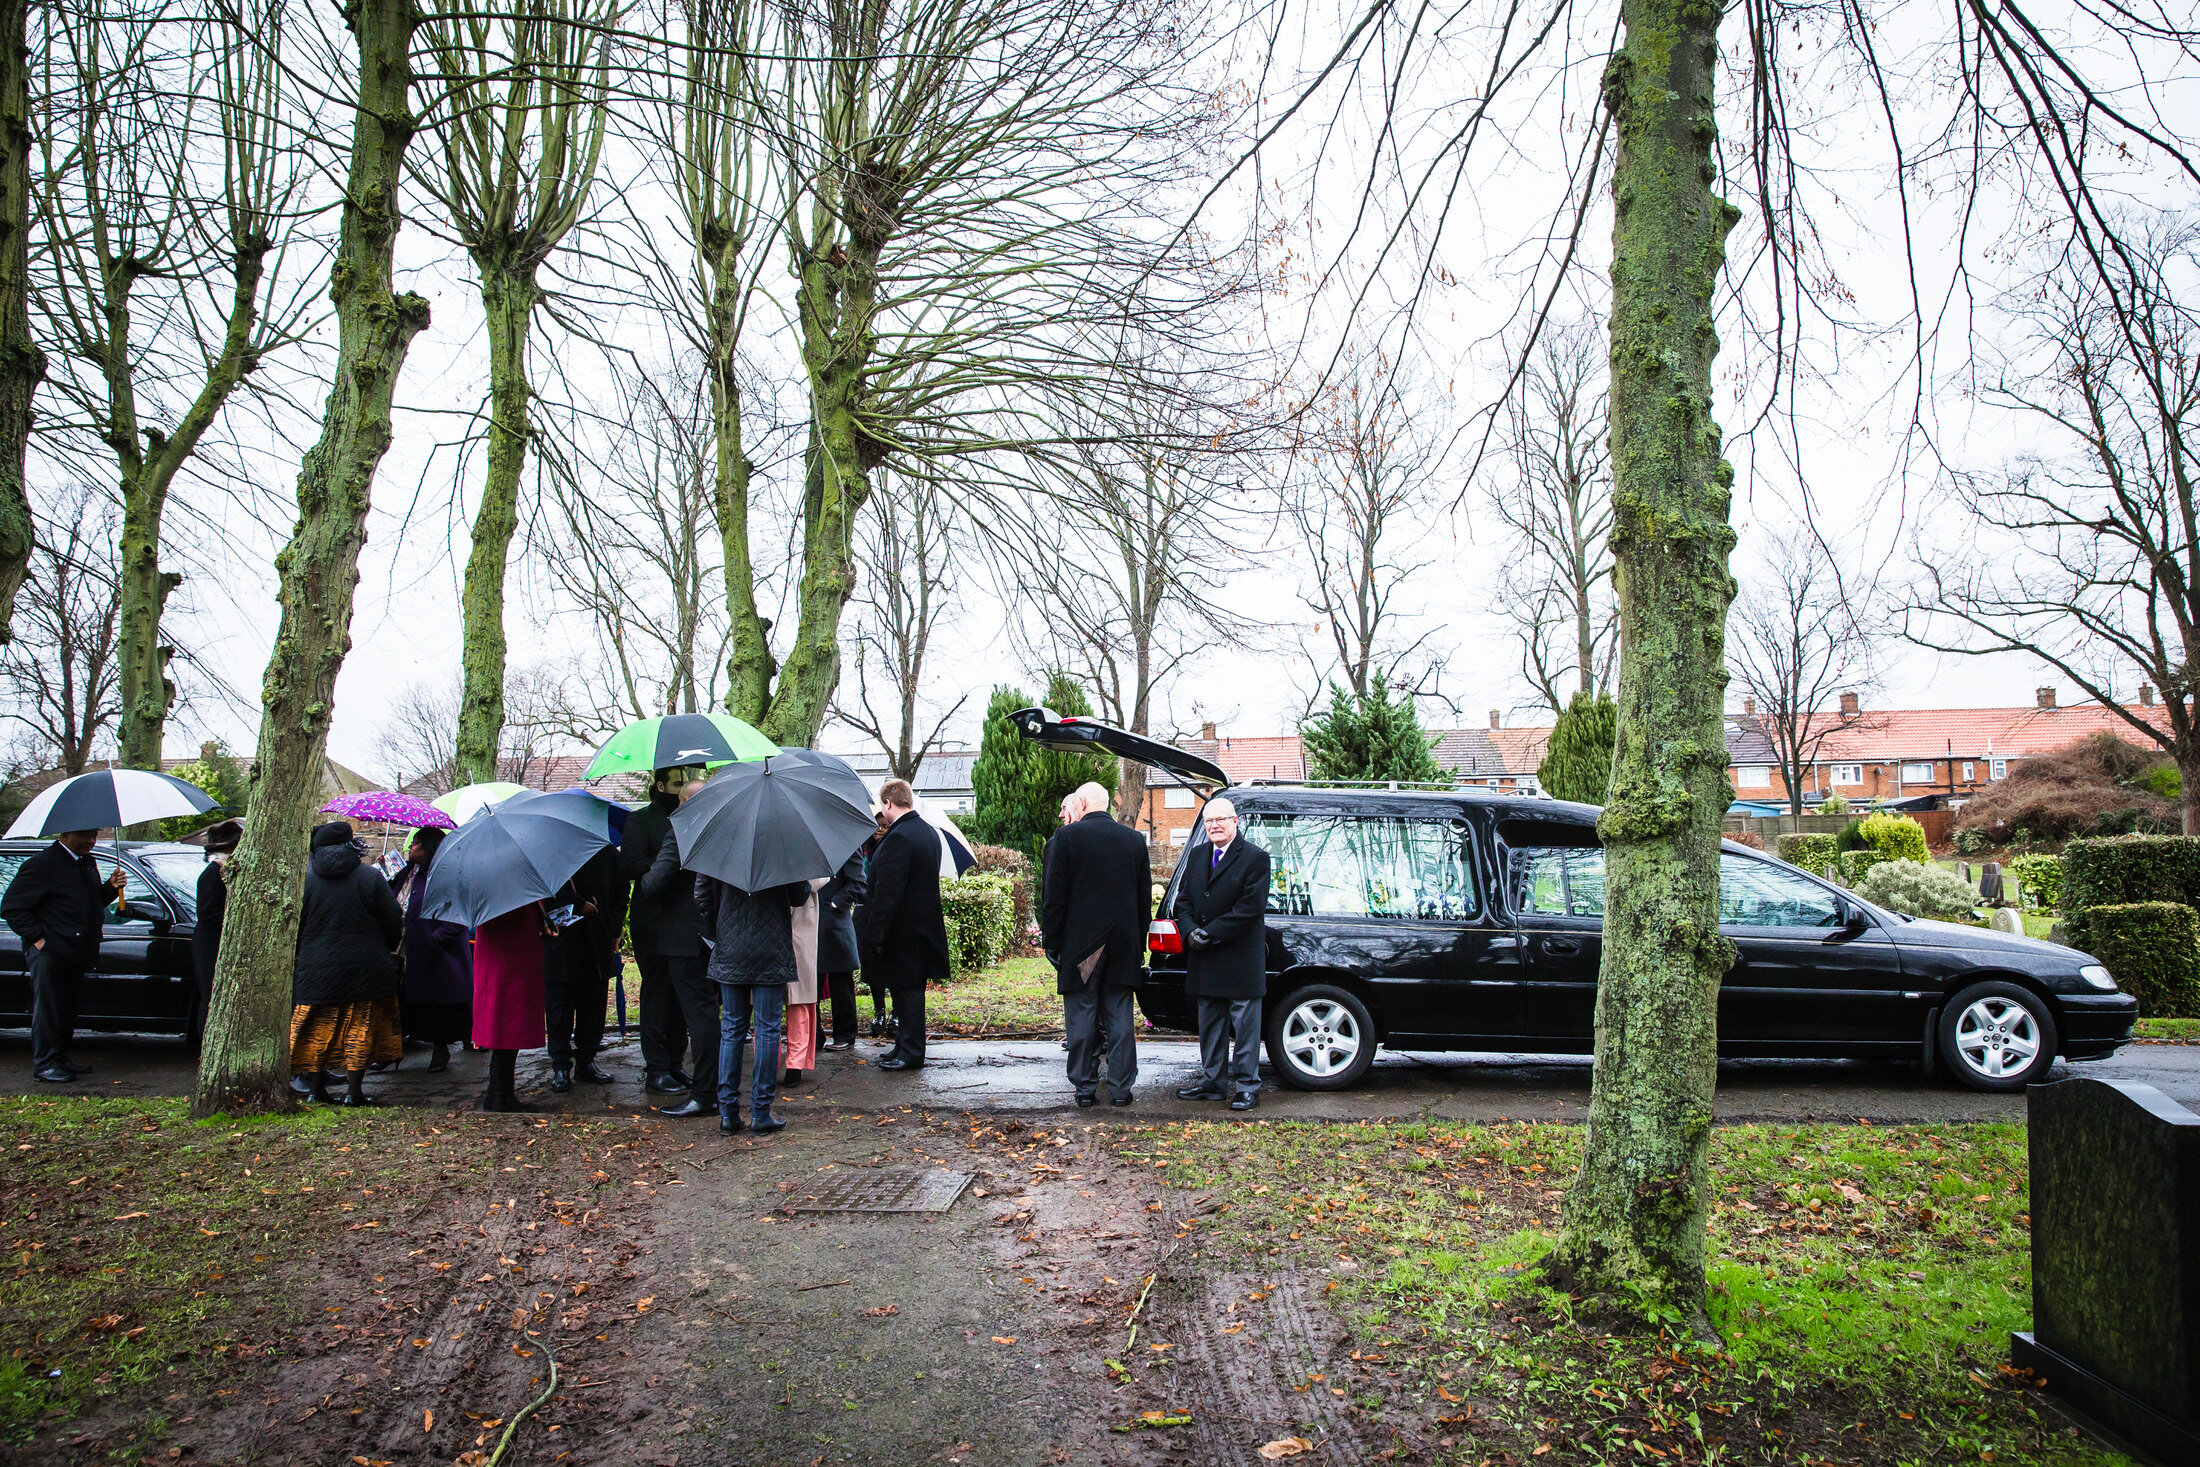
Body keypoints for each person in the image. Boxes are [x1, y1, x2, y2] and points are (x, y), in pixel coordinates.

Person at [1041, 781, 1150, 1109]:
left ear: (1083, 802)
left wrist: (1052, 941)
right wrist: (1138, 941)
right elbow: (1143, 898)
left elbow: (1054, 897)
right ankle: (1120, 1089)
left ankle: (1085, 1088)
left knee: (1082, 1016)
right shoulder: (1134, 840)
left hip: (1083, 947)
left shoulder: (1067, 839)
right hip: (1123, 945)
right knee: (1119, 1017)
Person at [289, 822, 406, 1106]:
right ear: (349, 845)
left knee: (319, 1028)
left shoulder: (303, 881)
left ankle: (316, 1090)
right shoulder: (370, 877)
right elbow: (393, 919)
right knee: (360, 1028)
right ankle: (354, 1092)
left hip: (316, 967)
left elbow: (294, 926)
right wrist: (385, 947)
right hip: (365, 967)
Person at [1171, 797, 1272, 1111]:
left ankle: (1246, 1086)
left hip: (1239, 957)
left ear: (1235, 822)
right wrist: (1189, 931)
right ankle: (1213, 1083)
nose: (1214, 826)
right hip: (1204, 957)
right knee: (1210, 1024)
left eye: (1220, 820)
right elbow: (1182, 902)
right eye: (1208, 821)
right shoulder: (1198, 855)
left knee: (1244, 1028)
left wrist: (1209, 934)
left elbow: (1249, 910)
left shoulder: (1256, 858)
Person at [1, 827, 125, 1083]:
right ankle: (45, 1063)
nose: (91, 841)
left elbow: (89, 902)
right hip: (50, 952)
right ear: (65, 835)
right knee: (49, 1009)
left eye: (93, 835)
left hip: (78, 949)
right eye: (84, 836)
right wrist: (39, 939)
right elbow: (12, 908)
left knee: (67, 1008)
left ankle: (59, 1057)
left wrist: (111, 888)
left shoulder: (86, 863)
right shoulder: (42, 865)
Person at [695, 870, 810, 1135]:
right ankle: (760, 1113)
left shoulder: (720, 841)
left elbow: (701, 896)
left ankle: (728, 1114)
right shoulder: (784, 845)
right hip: (772, 949)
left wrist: (719, 931)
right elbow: (799, 896)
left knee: (732, 1028)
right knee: (767, 1030)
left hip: (730, 947)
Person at [639, 776, 721, 1117]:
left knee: (699, 1017)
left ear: (682, 804)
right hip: (713, 935)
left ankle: (705, 1094)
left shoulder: (681, 830)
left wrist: (647, 878)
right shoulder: (724, 828)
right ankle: (714, 1088)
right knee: (709, 1013)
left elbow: (654, 882)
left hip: (682, 938)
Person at [618, 769, 696, 1096]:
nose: (682, 789)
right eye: (677, 783)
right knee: (656, 992)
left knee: (680, 994)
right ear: (661, 786)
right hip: (651, 919)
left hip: (683, 918)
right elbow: (631, 866)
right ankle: (656, 1068)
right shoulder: (640, 822)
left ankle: (676, 1062)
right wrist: (666, 863)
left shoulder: (690, 819)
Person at [861, 780, 948, 1072]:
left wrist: (875, 931)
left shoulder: (899, 837)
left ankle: (910, 1051)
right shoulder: (927, 832)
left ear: (887, 803)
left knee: (907, 993)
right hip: (921, 928)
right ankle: (904, 1046)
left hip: (902, 932)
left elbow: (889, 889)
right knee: (907, 991)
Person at [544, 844, 626, 1092]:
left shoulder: (607, 852)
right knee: (560, 1004)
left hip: (597, 939)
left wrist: (613, 924)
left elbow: (621, 891)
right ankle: (560, 1064)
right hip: (563, 941)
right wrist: (578, 903)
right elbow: (546, 892)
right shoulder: (553, 852)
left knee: (593, 1002)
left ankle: (586, 1059)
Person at [390, 827, 471, 1072]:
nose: (411, 847)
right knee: (408, 1000)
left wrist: (439, 937)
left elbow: (458, 911)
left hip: (437, 950)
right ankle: (392, 1049)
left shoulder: (445, 875)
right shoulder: (408, 872)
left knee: (439, 1002)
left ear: (429, 848)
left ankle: (440, 1048)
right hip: (409, 947)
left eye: (416, 844)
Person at [473, 900, 551, 1113]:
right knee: (506, 1027)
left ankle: (499, 1092)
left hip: (509, 959)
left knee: (505, 1028)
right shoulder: (504, 890)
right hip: (508, 961)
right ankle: (500, 1093)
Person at [190, 819, 243, 1041]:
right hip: (211, 944)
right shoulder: (212, 875)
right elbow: (208, 913)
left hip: (219, 942)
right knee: (212, 994)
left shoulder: (227, 873)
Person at [818, 847, 866, 1050]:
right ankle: (811, 1036)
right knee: (807, 986)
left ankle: (845, 1034)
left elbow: (859, 883)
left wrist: (836, 903)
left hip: (834, 923)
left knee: (840, 982)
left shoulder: (846, 843)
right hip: (806, 922)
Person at [783, 879, 824, 1084]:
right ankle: (765, 1063)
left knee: (799, 999)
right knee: (766, 1001)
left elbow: (821, 878)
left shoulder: (809, 852)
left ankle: (795, 1064)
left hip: (801, 924)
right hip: (769, 921)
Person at [856, 810, 893, 1037]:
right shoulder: (863, 852)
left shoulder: (895, 849)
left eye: (885, 826)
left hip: (888, 915)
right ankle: (879, 1010)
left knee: (894, 965)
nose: (880, 830)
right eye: (877, 826)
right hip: (865, 915)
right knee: (871, 967)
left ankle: (896, 1013)